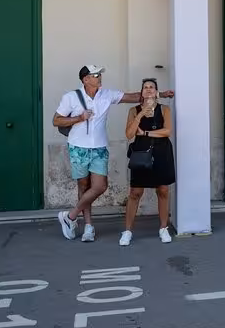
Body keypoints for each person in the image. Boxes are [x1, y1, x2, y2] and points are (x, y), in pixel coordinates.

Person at [53, 65, 174, 242]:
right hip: (78, 146)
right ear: (86, 79)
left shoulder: (106, 94)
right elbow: (56, 120)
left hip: (99, 147)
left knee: (100, 186)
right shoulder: (70, 97)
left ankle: (70, 216)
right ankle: (88, 227)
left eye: (99, 74)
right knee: (83, 186)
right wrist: (79, 118)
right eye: (95, 75)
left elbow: (132, 96)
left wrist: (160, 94)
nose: (99, 77)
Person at [119, 79, 176, 246]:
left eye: (152, 87)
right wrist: (141, 114)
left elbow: (167, 131)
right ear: (141, 92)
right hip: (141, 152)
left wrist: (145, 133)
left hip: (161, 152)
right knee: (135, 192)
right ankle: (128, 231)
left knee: (163, 190)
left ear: (157, 92)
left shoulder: (164, 109)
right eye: (145, 87)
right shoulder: (133, 110)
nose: (149, 90)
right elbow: (129, 134)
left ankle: (163, 228)